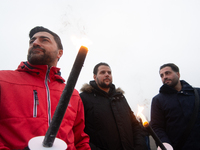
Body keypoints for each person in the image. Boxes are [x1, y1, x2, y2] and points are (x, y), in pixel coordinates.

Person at [0, 26, 91, 150]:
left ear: (60, 53)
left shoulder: (73, 95)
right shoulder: (3, 80)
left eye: (44, 40)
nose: (35, 43)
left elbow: (80, 140)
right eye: (32, 41)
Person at [80, 62, 148, 150]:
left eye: (109, 72)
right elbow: (79, 132)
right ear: (94, 77)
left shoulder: (120, 98)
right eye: (102, 72)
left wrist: (139, 147)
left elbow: (134, 124)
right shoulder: (84, 98)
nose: (107, 74)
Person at [150, 63, 200, 150]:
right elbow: (157, 127)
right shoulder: (158, 100)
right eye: (161, 75)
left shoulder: (197, 93)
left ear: (178, 74)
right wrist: (165, 144)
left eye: (168, 73)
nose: (164, 77)